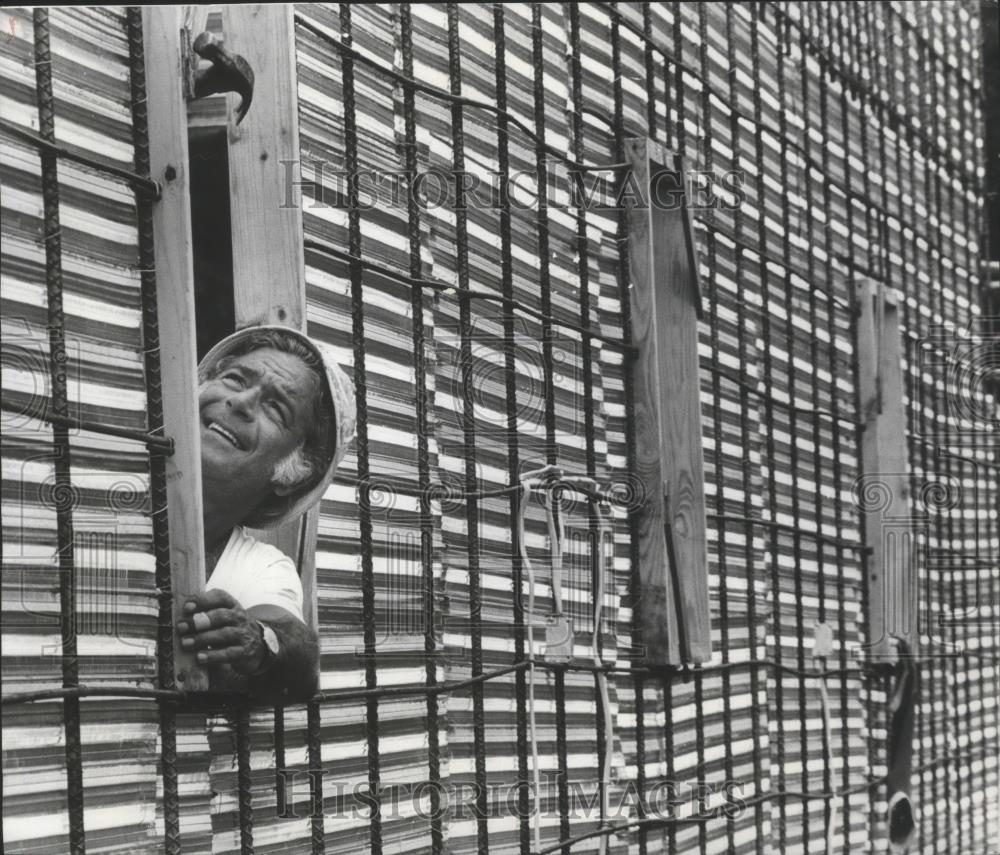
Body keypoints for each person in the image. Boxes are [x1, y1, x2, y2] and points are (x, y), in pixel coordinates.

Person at [175, 326, 355, 701]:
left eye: (276, 408)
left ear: (293, 473)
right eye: (235, 379)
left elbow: (300, 658)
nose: (242, 401)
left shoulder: (262, 568)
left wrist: (259, 642)